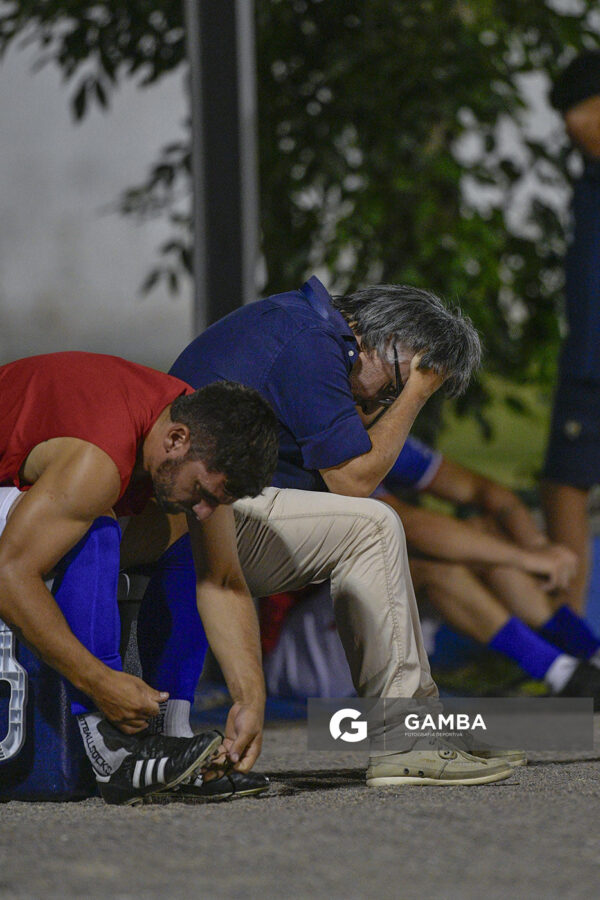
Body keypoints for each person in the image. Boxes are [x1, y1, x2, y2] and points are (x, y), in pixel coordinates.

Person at [124, 276, 521, 787]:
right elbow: (354, 483)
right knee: (373, 525)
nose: (386, 401)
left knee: (371, 527)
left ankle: (419, 729)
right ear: (383, 341)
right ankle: (407, 740)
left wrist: (403, 385)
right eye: (397, 381)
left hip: (192, 514)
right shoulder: (309, 341)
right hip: (184, 520)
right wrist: (417, 392)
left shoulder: (306, 329)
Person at [0, 351, 279, 804]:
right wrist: (98, 681)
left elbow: (222, 581)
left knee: (190, 536)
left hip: (47, 494)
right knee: (97, 526)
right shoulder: (99, 456)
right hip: (18, 535)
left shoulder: (197, 431)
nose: (208, 508)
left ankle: (172, 734)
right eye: (205, 492)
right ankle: (111, 748)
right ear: (175, 439)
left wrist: (250, 699)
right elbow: (9, 574)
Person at [262, 437, 600, 705]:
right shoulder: (319, 436)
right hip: (291, 655)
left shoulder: (371, 425)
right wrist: (526, 559)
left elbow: (488, 492)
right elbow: (408, 525)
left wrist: (535, 545)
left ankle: (587, 654)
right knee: (421, 566)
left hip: (345, 619)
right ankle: (562, 674)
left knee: (484, 533)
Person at [541, 50, 600, 614]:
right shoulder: (588, 178)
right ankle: (576, 652)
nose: (574, 129)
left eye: (581, 114)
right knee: (562, 483)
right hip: (586, 363)